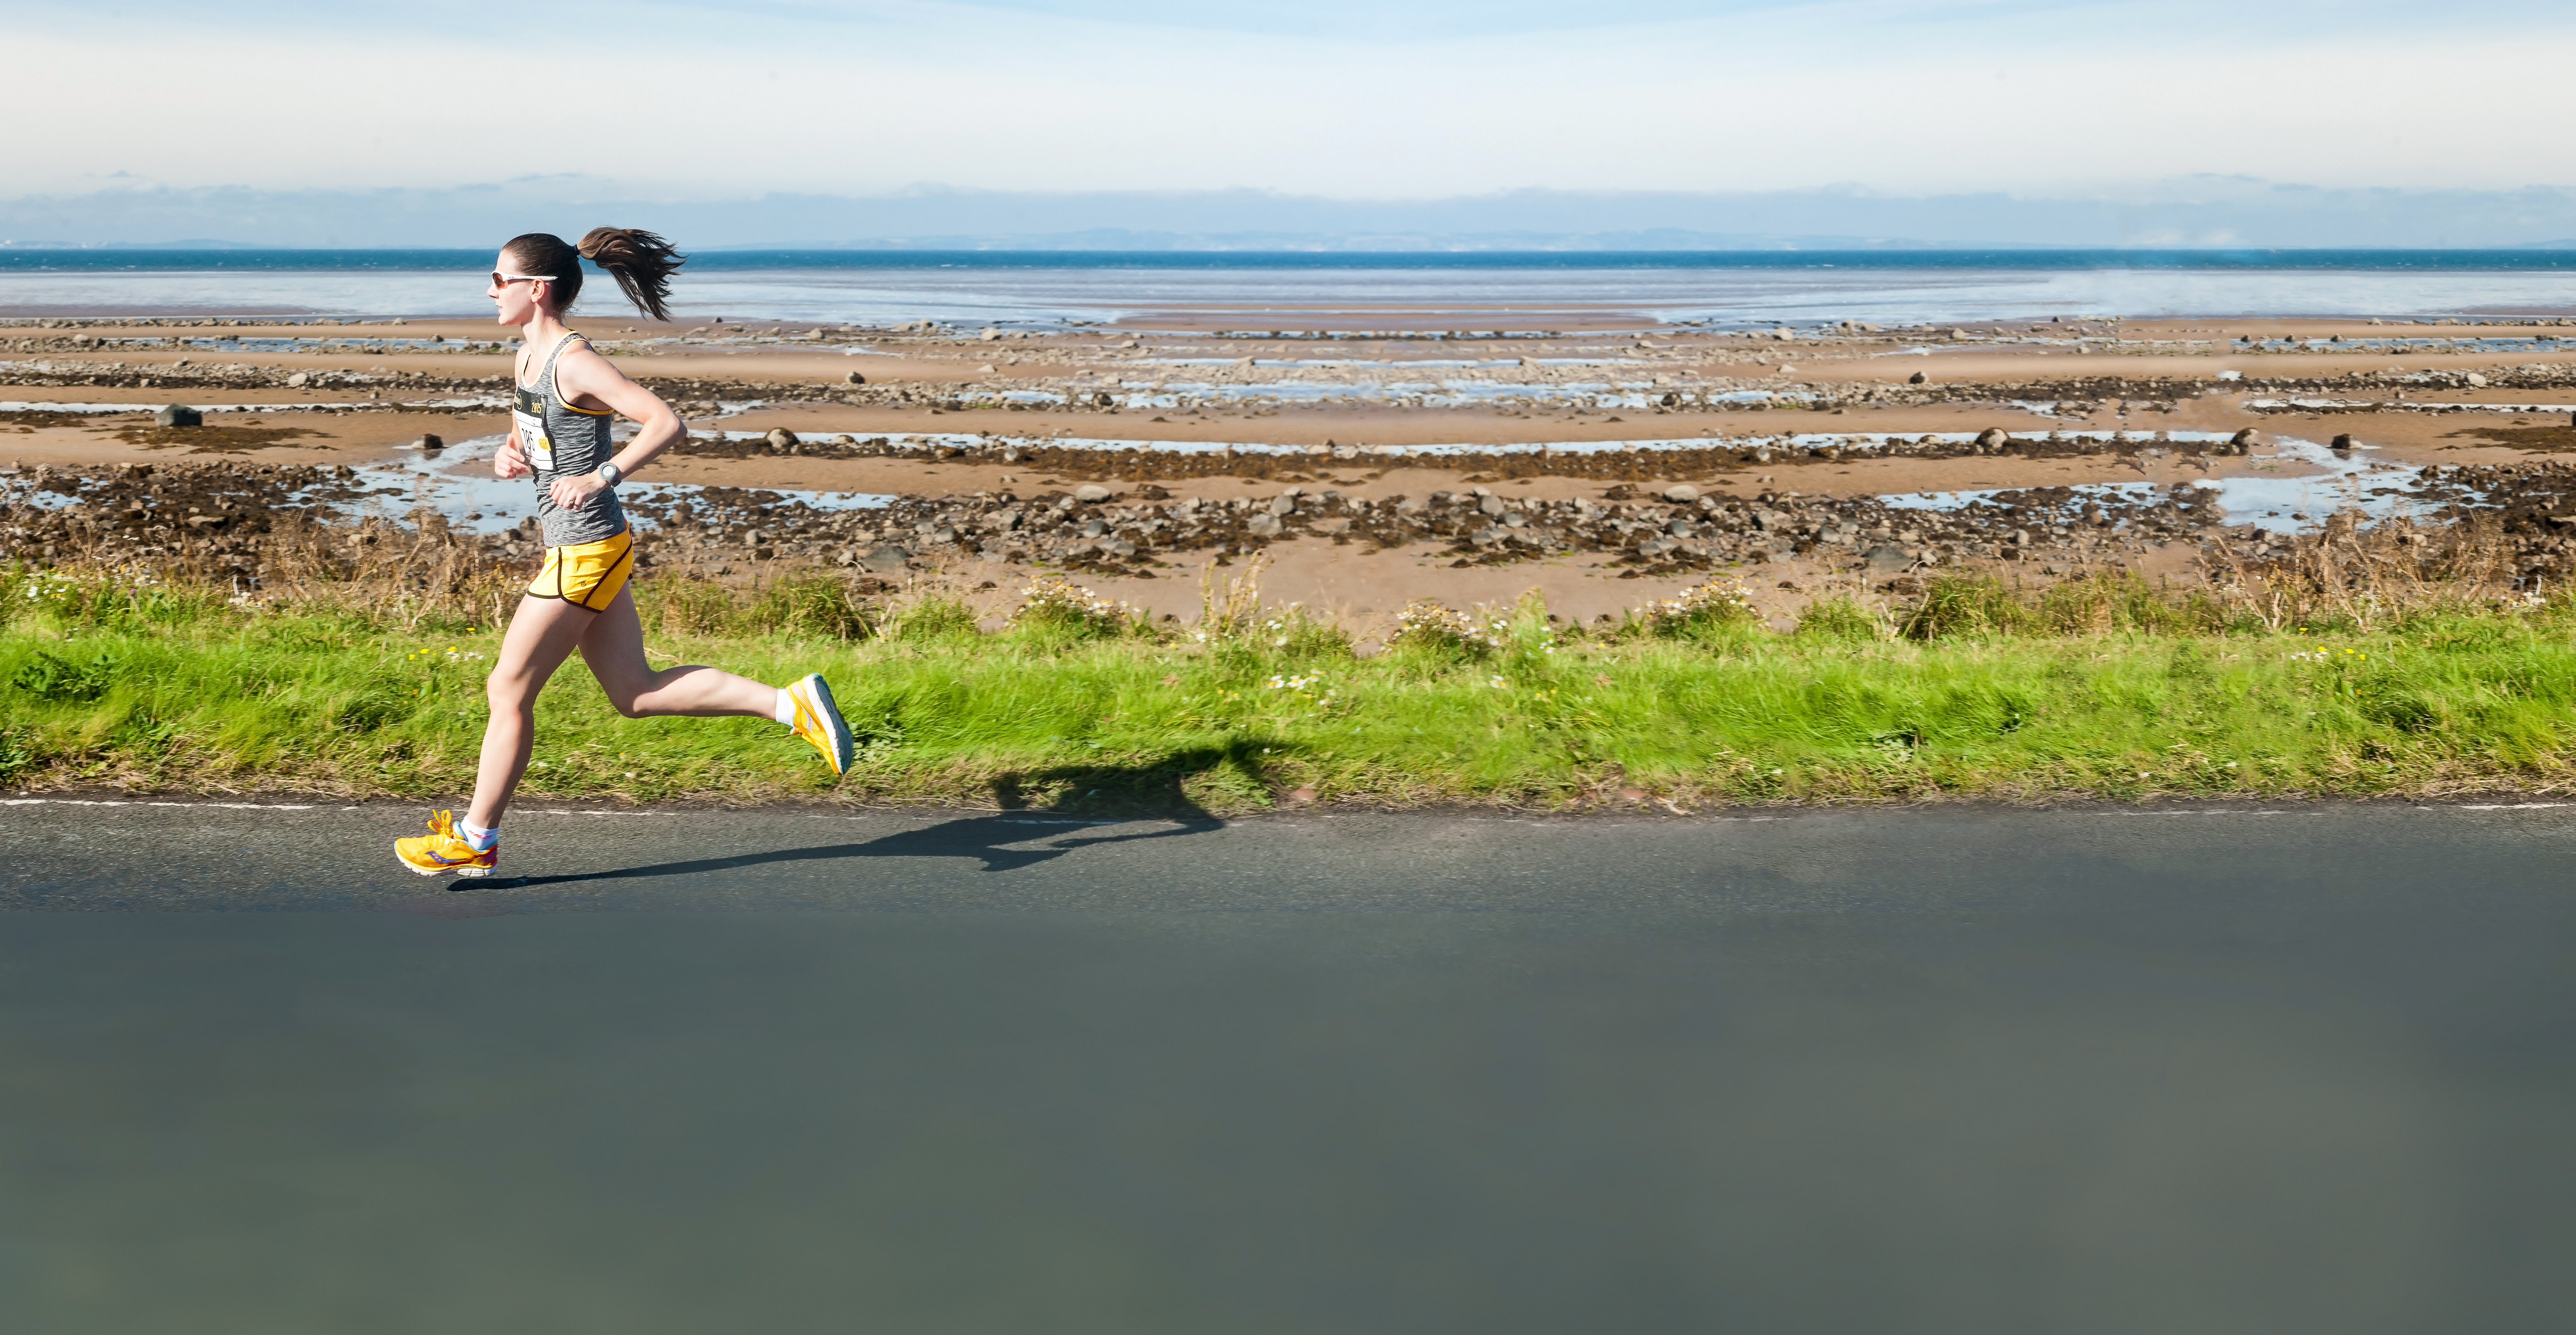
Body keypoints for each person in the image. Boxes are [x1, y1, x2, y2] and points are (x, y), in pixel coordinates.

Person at [398, 228, 852, 878]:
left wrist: (601, 476)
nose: (488, 289)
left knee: (508, 687)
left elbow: (666, 423)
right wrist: (513, 452)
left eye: (499, 279)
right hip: (584, 547)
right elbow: (536, 426)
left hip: (585, 550)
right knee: (634, 693)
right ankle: (790, 705)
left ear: (536, 289)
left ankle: (476, 837)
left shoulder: (576, 361)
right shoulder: (528, 355)